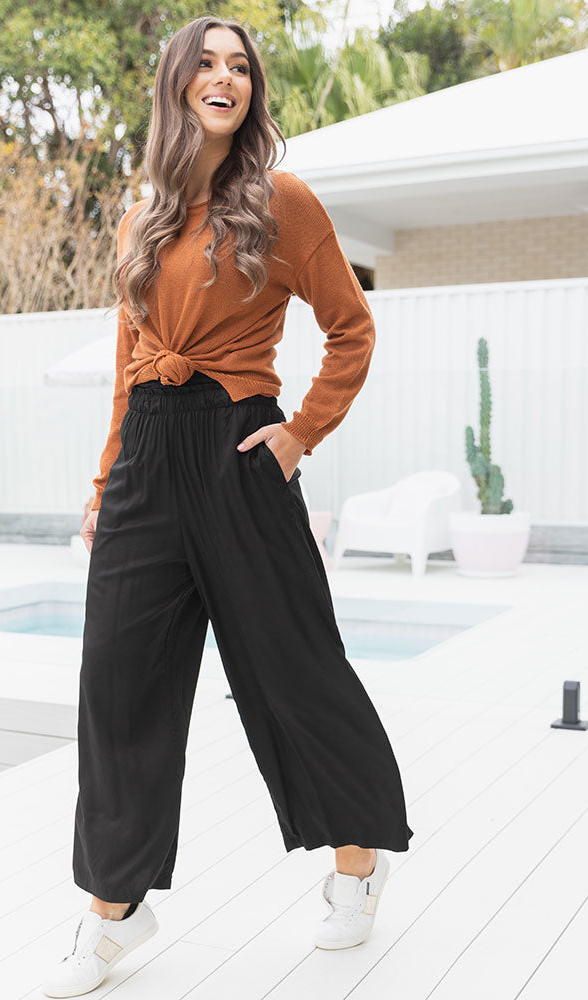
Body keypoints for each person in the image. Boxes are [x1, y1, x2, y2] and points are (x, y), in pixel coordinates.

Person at [42, 15, 413, 998]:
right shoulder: (141, 217)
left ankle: (357, 864)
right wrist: (106, 484)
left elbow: (351, 328)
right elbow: (128, 368)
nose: (225, 77)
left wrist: (300, 434)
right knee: (117, 688)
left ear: (252, 91)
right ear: (176, 84)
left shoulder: (281, 201)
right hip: (146, 462)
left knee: (292, 672)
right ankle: (114, 907)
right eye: (205, 64)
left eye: (240, 66)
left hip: (240, 452)